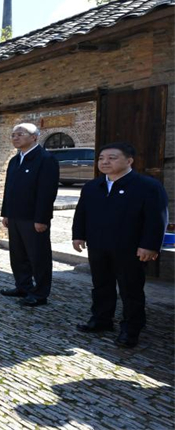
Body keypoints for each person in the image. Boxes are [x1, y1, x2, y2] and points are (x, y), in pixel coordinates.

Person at [72, 142, 168, 348]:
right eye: (101, 158)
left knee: (130, 289)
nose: (105, 162)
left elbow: (156, 218)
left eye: (112, 158)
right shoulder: (92, 186)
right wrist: (78, 235)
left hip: (130, 248)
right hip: (98, 245)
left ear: (129, 160)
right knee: (101, 285)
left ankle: (131, 328)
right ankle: (101, 319)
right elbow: (81, 213)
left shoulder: (147, 186)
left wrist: (150, 245)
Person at [0, 123, 59, 307]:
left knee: (38, 256)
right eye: (13, 135)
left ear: (34, 137)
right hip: (15, 216)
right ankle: (23, 286)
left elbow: (47, 192)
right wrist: (6, 213)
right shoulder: (15, 160)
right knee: (18, 255)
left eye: (20, 134)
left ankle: (40, 293)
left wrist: (42, 218)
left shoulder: (45, 159)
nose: (15, 137)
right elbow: (9, 189)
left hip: (33, 218)